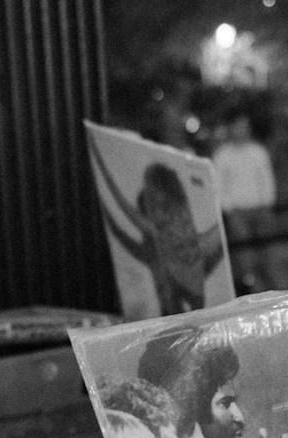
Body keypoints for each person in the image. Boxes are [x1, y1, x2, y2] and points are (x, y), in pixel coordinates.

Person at [88, 132, 226, 316]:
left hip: (187, 283)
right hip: (175, 290)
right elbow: (121, 209)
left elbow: (121, 210)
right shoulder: (158, 239)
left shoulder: (172, 233)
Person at [211, 110, 277, 295]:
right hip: (238, 212)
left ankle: (272, 286)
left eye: (245, 127)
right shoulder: (222, 155)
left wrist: (268, 203)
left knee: (268, 252)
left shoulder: (258, 152)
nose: (243, 130)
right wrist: (228, 209)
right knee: (245, 255)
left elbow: (266, 179)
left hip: (260, 208)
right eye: (239, 126)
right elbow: (218, 185)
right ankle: (252, 288)